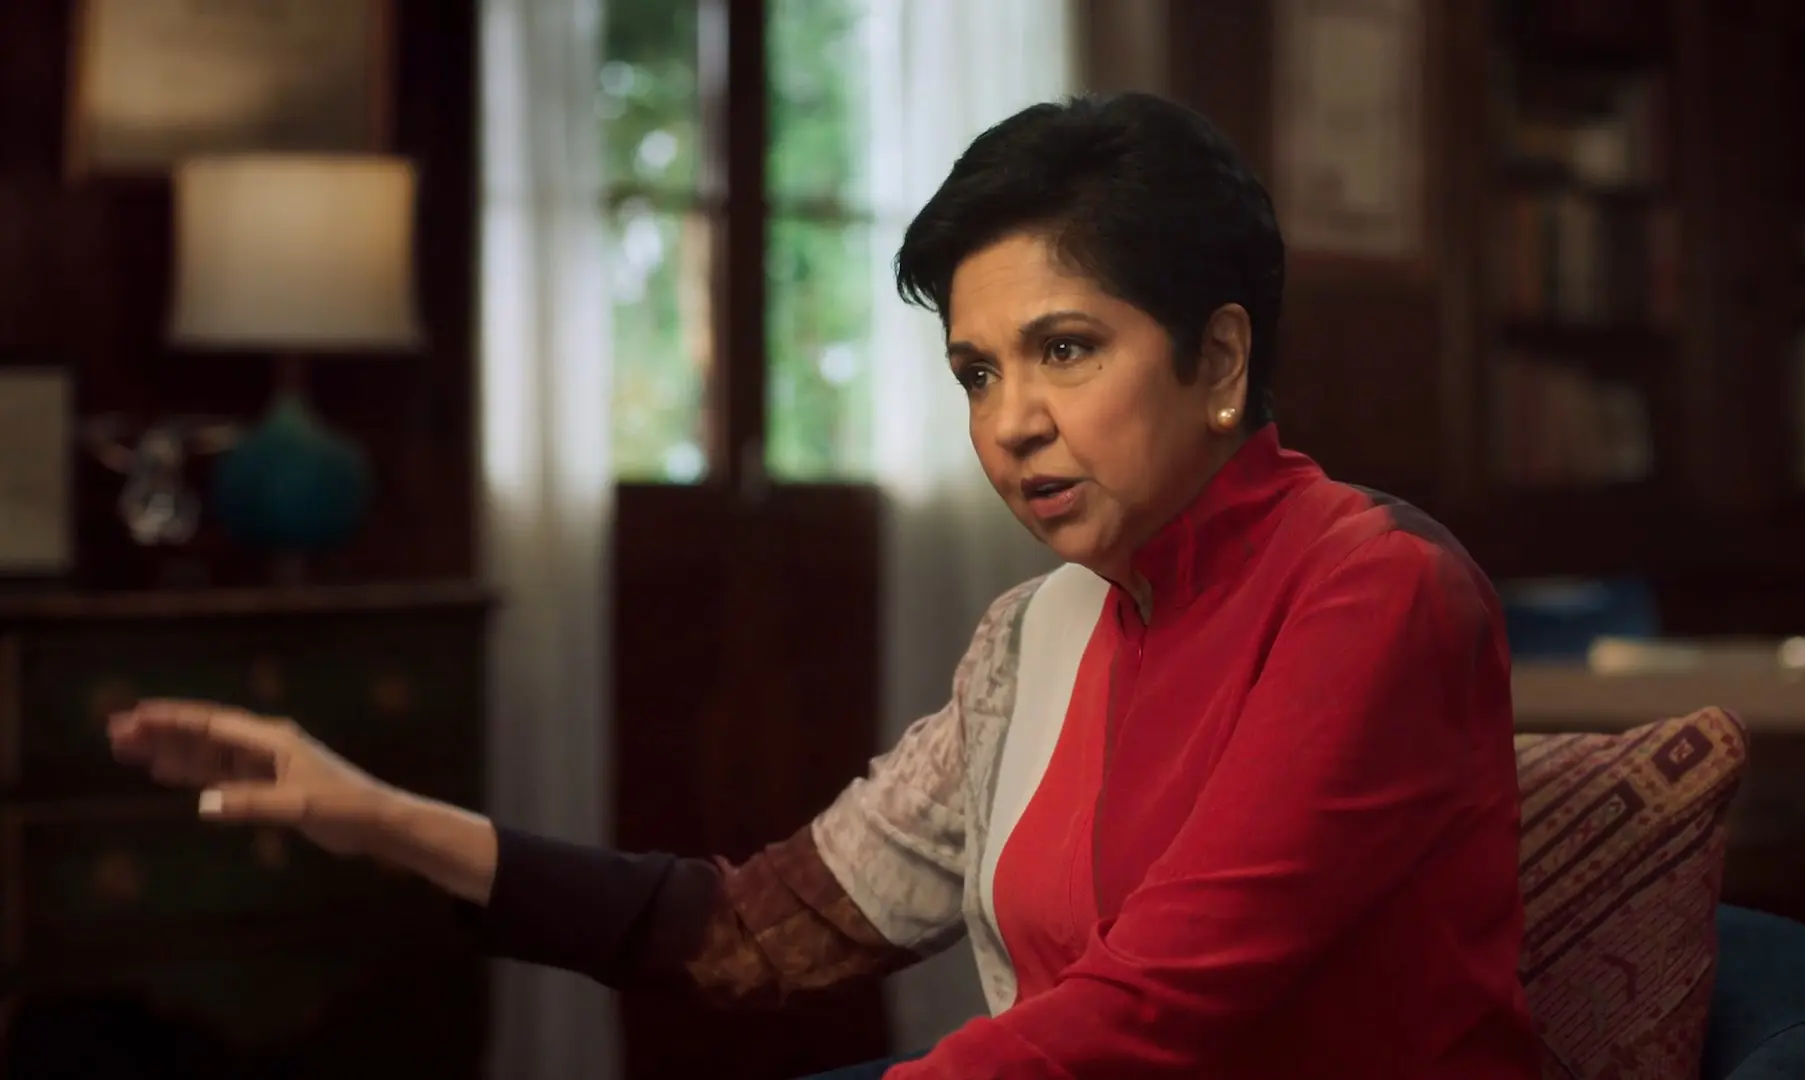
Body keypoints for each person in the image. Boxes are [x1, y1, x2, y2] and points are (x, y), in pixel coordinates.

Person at [108, 92, 1539, 1079]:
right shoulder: (1033, 635)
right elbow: (753, 932)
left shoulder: (1377, 593)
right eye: (975, 372)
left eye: (1065, 350)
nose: (1010, 424)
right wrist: (378, 817)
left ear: (1217, 359)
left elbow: (1157, 1008)